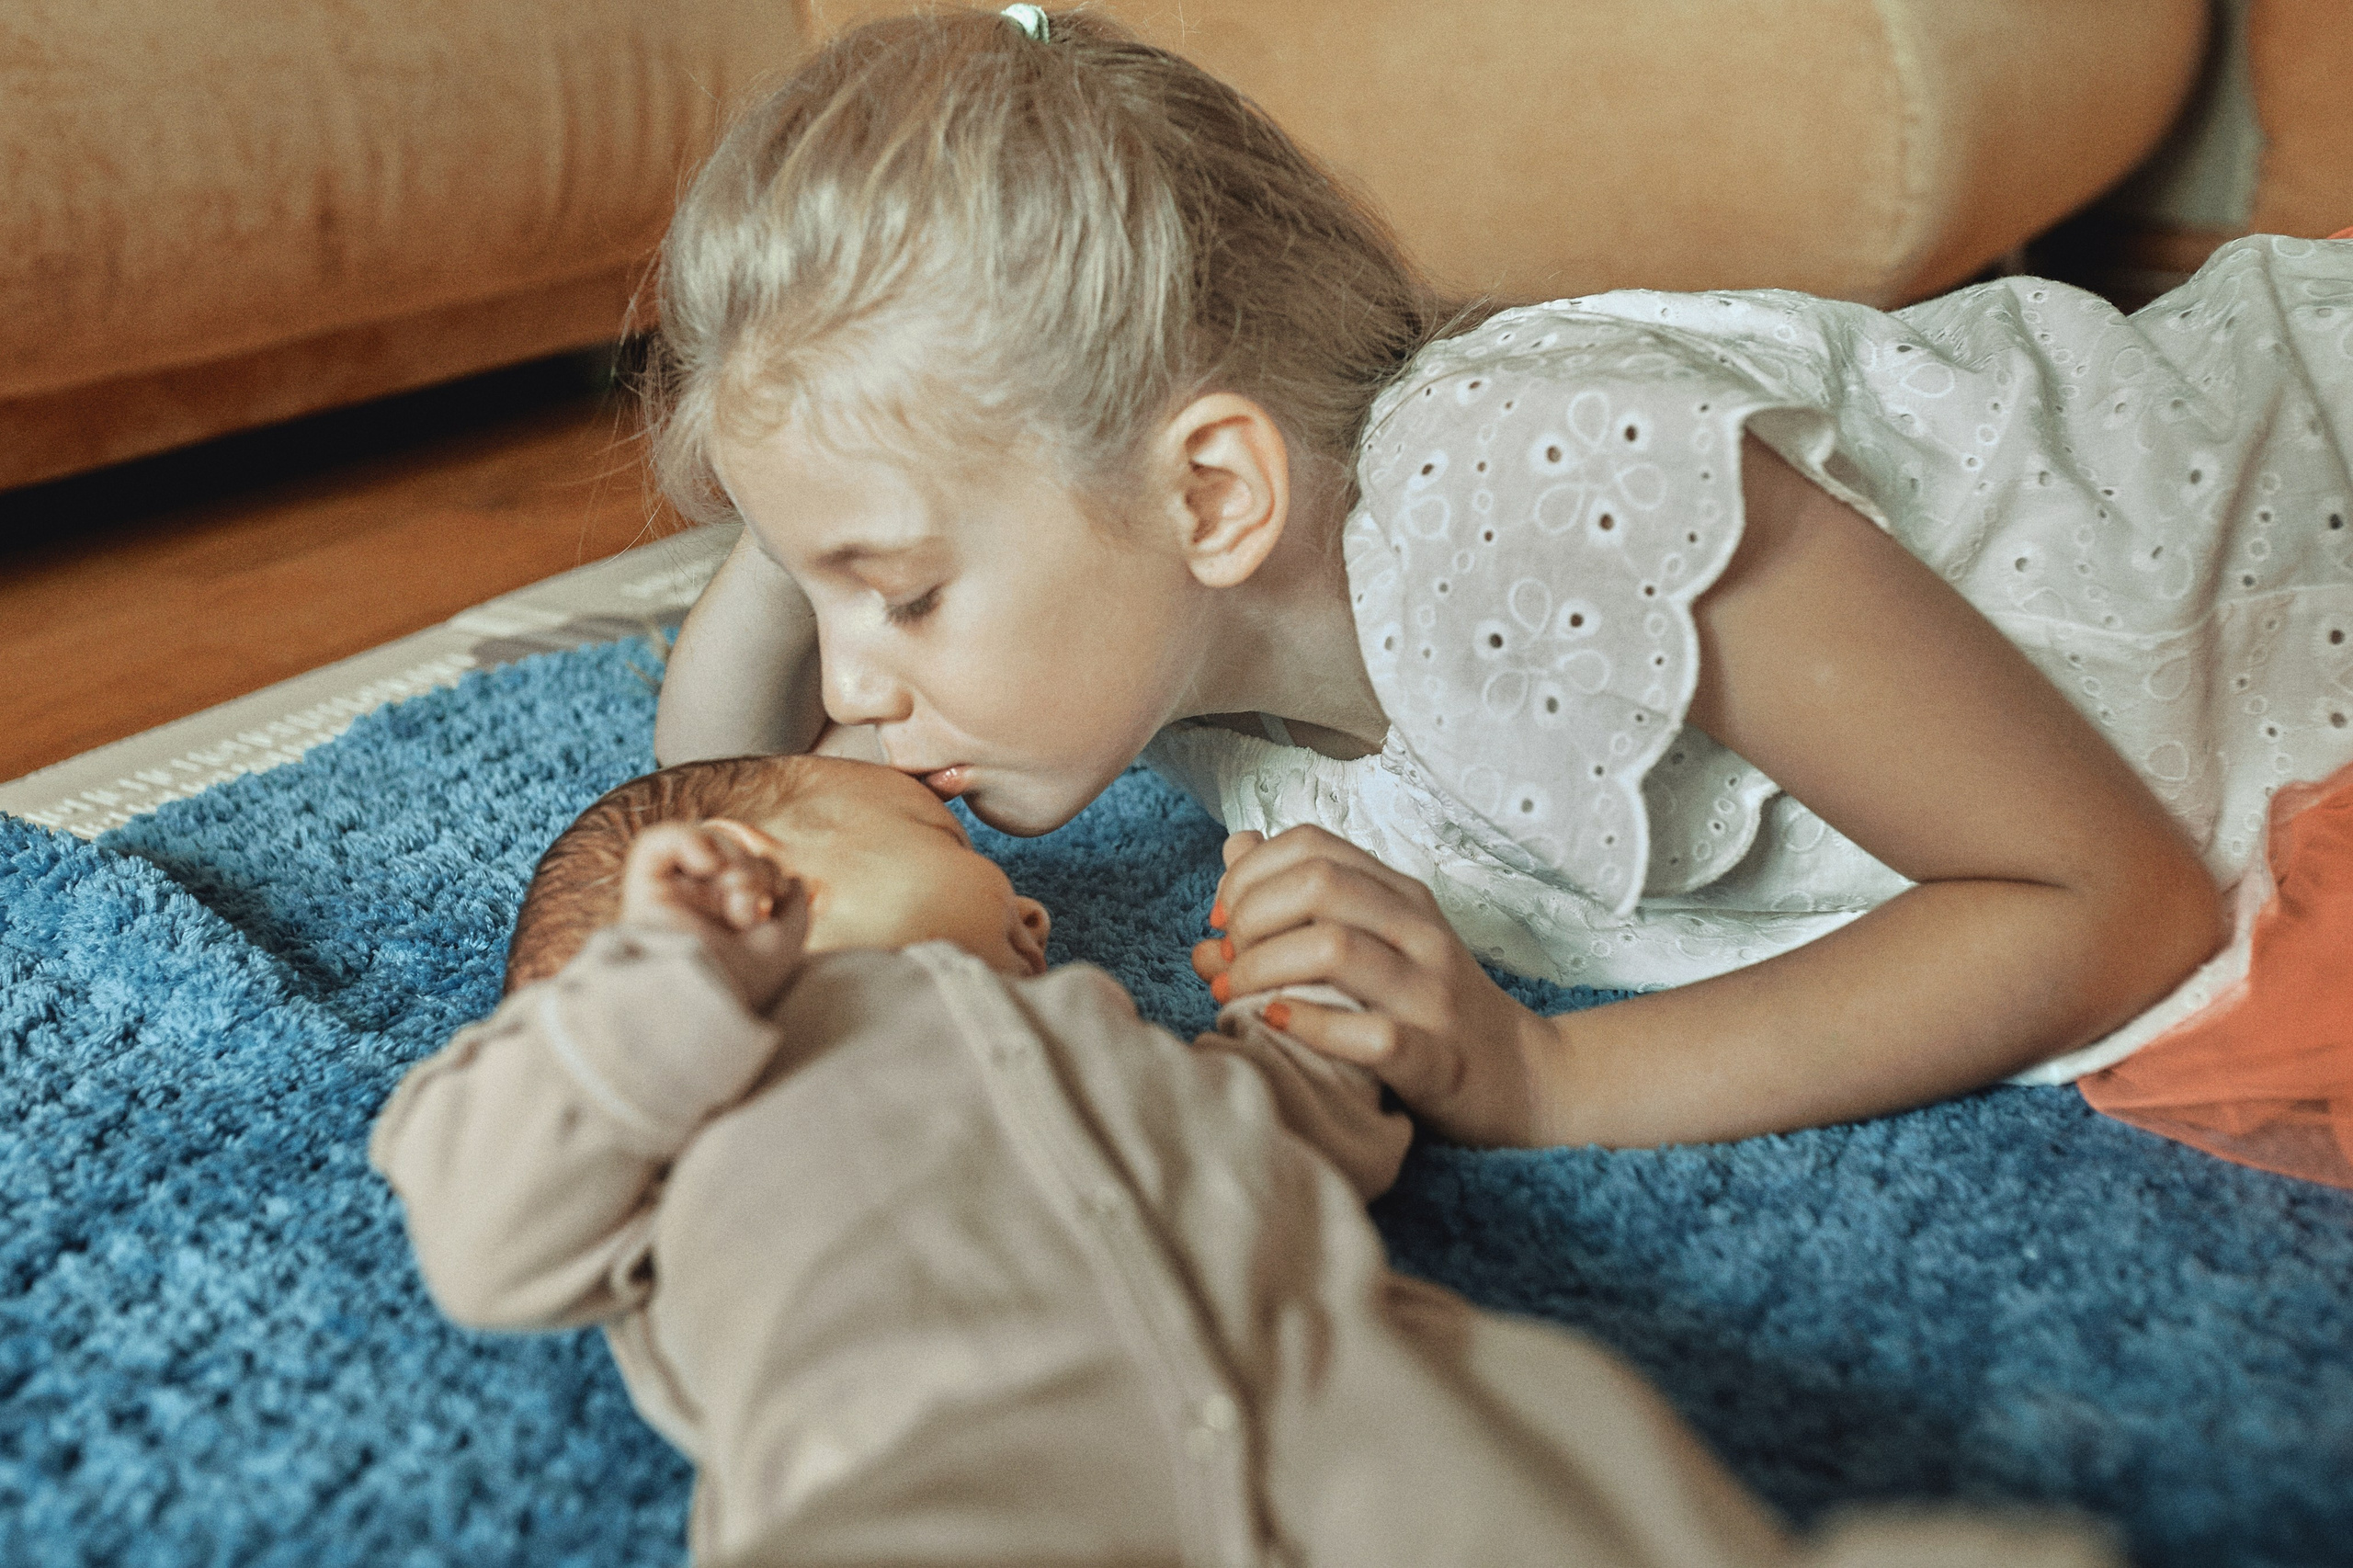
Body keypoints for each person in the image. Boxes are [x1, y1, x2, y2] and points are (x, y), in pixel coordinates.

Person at [646, 6, 2353, 1184]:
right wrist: (816, 490)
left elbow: (2109, 901)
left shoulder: (1523, 492)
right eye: (825, 599)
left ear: (1214, 492)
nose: (853, 689)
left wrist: (1550, 1078)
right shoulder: (1209, 690)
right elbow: (716, 800)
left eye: (905, 593)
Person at [371, 753, 2114, 1568]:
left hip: (1326, 1386)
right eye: (946, 839)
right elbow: (476, 1230)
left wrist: (1308, 1029)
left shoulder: (1100, 1039)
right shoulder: (660, 1074)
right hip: (934, 1456)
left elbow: (1297, 1140)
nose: (1037, 902)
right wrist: (662, 989)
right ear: (758, 875)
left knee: (1541, 1453)